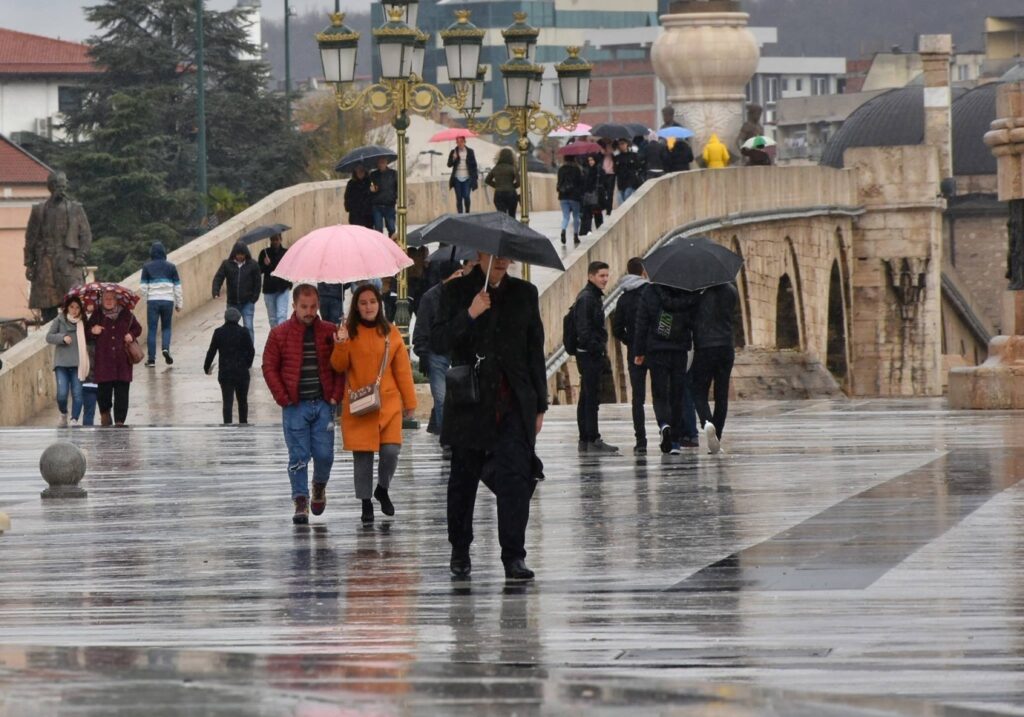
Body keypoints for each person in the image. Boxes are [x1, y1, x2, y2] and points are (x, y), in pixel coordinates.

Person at [432, 253, 548, 581]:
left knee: (515, 479)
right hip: (470, 402)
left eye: (506, 256)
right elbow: (438, 341)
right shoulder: (455, 292)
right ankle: (460, 549)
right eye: (495, 256)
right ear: (481, 255)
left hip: (513, 402)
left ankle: (514, 555)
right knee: (463, 481)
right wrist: (470, 314)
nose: (501, 261)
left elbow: (534, 350)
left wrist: (540, 404)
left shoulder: (525, 293)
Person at [331, 283, 417, 524]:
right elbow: (338, 365)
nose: (368, 306)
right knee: (363, 457)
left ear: (379, 304)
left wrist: (410, 401)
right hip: (359, 404)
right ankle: (365, 502)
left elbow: (402, 371)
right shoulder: (348, 332)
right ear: (356, 307)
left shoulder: (391, 332)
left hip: (387, 404)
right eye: (363, 303)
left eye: (372, 302)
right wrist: (341, 343)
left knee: (391, 451)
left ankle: (383, 488)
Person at [262, 285, 345, 525]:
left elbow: (340, 367)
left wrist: (335, 395)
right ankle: (300, 499)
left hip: (323, 404)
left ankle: (319, 485)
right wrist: (283, 398)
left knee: (324, 454)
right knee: (298, 456)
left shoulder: (330, 331)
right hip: (295, 405)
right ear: (294, 306)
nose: (309, 312)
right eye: (304, 307)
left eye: (313, 307)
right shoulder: (279, 334)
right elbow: (269, 367)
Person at [632, 282, 699, 454]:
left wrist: (639, 351)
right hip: (679, 350)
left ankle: (664, 424)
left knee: (660, 394)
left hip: (657, 351)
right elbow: (694, 321)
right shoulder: (687, 291)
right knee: (677, 395)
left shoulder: (650, 291)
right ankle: (675, 441)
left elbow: (641, 323)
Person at [413, 261, 473, 442]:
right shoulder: (430, 298)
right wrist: (423, 353)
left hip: (459, 353)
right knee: (441, 398)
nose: (461, 277)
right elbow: (422, 327)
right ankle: (447, 438)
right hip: (437, 353)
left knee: (460, 397)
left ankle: (454, 433)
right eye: (457, 274)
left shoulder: (465, 295)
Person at [24, 172, 92, 322]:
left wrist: (81, 256)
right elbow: (30, 239)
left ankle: (76, 335)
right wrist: (29, 264)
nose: (61, 189)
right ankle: (50, 335)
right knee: (47, 308)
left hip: (69, 262)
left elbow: (86, 235)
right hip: (45, 264)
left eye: (63, 186)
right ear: (51, 187)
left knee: (75, 304)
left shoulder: (75, 208)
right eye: (57, 186)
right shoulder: (39, 210)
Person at [574, 261, 617, 454]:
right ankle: (592, 438)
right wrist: (598, 348)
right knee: (591, 398)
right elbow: (584, 330)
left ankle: (585, 439)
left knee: (586, 397)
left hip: (588, 353)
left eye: (607, 275)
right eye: (601, 276)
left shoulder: (592, 296)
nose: (605, 279)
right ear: (591, 276)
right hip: (589, 354)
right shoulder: (587, 298)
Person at [691, 282, 738, 455]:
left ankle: (707, 421)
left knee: (698, 391)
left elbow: (692, 319)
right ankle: (717, 435)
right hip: (726, 347)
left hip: (705, 347)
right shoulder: (731, 291)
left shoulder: (698, 293)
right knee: (721, 394)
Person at [87, 289, 143, 427]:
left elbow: (138, 328)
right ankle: (105, 414)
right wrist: (93, 331)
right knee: (103, 393)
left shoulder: (126, 314)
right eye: (106, 298)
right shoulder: (97, 314)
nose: (109, 301)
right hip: (103, 362)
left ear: (117, 300)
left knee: (122, 393)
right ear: (102, 300)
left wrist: (131, 335)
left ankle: (119, 421)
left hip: (122, 362)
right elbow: (86, 333)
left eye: (111, 298)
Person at [611, 258, 650, 454]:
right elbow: (663, 320)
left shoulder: (623, 299)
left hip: (635, 353)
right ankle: (668, 433)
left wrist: (631, 341)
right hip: (655, 349)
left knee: (638, 398)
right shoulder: (652, 294)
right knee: (662, 393)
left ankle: (640, 440)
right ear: (643, 272)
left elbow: (617, 329)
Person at [204, 307, 256, 424]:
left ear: (225, 318)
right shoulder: (244, 332)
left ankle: (227, 424)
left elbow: (211, 351)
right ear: (238, 318)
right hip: (241, 373)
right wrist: (247, 364)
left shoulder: (218, 332)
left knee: (227, 402)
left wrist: (206, 367)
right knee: (242, 401)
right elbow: (251, 351)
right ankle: (243, 423)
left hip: (225, 373)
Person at [45, 295, 88, 427]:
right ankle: (63, 413)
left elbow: (91, 337)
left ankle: (74, 419)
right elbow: (49, 337)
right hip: (62, 364)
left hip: (78, 364)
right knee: (62, 394)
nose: (74, 310)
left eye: (77, 307)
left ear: (81, 309)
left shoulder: (83, 322)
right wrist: (62, 338)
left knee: (77, 394)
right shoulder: (59, 320)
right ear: (67, 308)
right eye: (71, 307)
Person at [140, 241, 183, 366]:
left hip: (153, 301)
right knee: (166, 327)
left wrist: (147, 299)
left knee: (152, 330)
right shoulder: (171, 267)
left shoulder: (147, 267)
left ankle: (151, 359)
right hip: (168, 301)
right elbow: (177, 287)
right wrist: (179, 304)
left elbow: (143, 287)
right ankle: (165, 348)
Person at [212, 242, 261, 344]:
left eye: (242, 254)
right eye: (238, 254)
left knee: (248, 327)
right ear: (234, 253)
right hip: (232, 303)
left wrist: (254, 298)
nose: (240, 256)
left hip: (247, 303)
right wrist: (215, 291)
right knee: (230, 328)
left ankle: (249, 348)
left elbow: (258, 282)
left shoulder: (253, 265)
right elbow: (218, 278)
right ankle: (231, 347)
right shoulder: (226, 264)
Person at [258, 233, 292, 329]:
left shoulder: (285, 252)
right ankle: (275, 335)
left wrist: (289, 284)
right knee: (272, 318)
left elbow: (290, 268)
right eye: (273, 240)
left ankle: (282, 335)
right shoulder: (264, 253)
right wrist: (265, 264)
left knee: (282, 315)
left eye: (276, 239)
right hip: (269, 289)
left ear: (280, 239)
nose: (275, 242)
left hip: (283, 288)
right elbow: (259, 271)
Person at [447, 136, 478, 214]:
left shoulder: (470, 151)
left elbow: (474, 165)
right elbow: (449, 165)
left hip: (467, 178)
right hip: (457, 178)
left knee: (466, 196)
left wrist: (475, 177)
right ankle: (460, 215)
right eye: (458, 142)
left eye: (461, 141)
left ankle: (467, 212)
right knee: (459, 198)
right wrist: (454, 158)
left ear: (464, 142)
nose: (459, 143)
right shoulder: (453, 152)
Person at [557, 155, 584, 246]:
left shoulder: (561, 169)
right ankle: (575, 235)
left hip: (563, 196)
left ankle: (563, 229)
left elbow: (559, 182)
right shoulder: (577, 169)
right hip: (574, 196)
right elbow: (581, 183)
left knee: (565, 216)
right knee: (576, 216)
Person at [485, 148, 519, 218]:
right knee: (512, 216)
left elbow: (487, 180)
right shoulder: (513, 168)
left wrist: (497, 186)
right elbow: (519, 182)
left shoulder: (496, 168)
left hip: (499, 194)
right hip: (511, 194)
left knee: (502, 217)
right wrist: (512, 186)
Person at [369, 156, 398, 235]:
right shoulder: (373, 174)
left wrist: (394, 197)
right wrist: (372, 190)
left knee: (391, 228)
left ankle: (391, 242)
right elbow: (370, 187)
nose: (381, 164)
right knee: (378, 229)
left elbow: (398, 187)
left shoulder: (393, 173)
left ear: (386, 162)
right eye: (379, 162)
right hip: (377, 205)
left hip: (389, 205)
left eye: (383, 162)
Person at [80, 299, 98, 426]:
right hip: (88, 376)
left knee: (106, 411)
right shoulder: (80, 322)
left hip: (103, 377)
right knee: (89, 411)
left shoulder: (104, 318)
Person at [579, 154, 604, 237]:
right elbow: (583, 183)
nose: (590, 162)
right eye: (589, 160)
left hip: (597, 196)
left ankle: (600, 230)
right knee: (587, 214)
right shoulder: (586, 170)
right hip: (588, 196)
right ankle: (587, 230)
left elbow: (604, 183)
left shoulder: (599, 171)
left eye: (592, 160)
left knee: (597, 213)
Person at [344, 164, 375, 228]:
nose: (360, 173)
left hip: (367, 214)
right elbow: (347, 197)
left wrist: (373, 191)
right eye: (358, 171)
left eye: (362, 170)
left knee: (368, 231)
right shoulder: (351, 183)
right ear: (355, 172)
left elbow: (374, 196)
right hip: (355, 214)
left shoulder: (370, 181)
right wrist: (349, 207)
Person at [613, 138, 642, 205]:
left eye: (623, 144)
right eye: (620, 144)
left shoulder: (633, 155)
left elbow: (638, 166)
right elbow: (615, 170)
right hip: (621, 182)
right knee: (621, 201)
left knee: (627, 196)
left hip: (630, 181)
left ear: (627, 144)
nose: (621, 146)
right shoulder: (617, 157)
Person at [599, 140, 617, 217]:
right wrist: (601, 152)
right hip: (602, 173)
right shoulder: (601, 144)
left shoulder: (614, 145)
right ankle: (604, 206)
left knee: (610, 193)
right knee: (601, 192)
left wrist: (613, 152)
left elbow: (617, 156)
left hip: (611, 174)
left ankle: (609, 211)